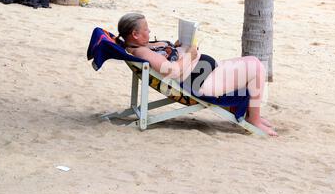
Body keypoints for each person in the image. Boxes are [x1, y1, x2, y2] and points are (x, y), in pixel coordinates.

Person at [116, 13, 278, 136]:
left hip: (203, 73)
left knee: (250, 62)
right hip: (200, 83)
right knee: (255, 67)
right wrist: (190, 56)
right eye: (146, 29)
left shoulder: (142, 45)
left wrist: (178, 47)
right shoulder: (142, 52)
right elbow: (171, 71)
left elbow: (167, 58)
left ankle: (253, 114)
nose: (149, 31)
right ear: (135, 34)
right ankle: (254, 119)